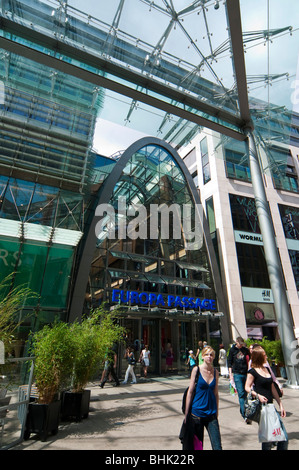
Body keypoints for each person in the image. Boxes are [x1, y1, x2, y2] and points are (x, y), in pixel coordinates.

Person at [245, 345, 288, 450]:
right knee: (268, 439)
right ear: (259, 356)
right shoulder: (252, 372)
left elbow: (272, 388)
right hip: (262, 408)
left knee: (282, 437)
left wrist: (281, 405)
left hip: (271, 406)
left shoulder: (267, 369)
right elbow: (247, 387)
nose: (266, 357)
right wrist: (257, 395)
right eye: (264, 355)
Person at [182, 346, 222, 450]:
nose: (209, 357)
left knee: (217, 447)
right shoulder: (196, 370)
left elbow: (216, 393)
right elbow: (190, 392)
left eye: (211, 355)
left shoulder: (215, 372)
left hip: (211, 415)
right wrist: (187, 414)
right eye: (207, 354)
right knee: (198, 447)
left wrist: (217, 411)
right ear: (202, 356)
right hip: (197, 414)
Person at [227, 337, 250, 419]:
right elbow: (229, 362)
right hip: (237, 374)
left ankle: (244, 409)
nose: (240, 345)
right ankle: (244, 413)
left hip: (245, 373)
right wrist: (230, 374)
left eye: (242, 344)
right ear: (236, 342)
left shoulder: (245, 350)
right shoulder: (232, 350)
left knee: (246, 393)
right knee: (241, 393)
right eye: (239, 344)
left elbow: (249, 359)